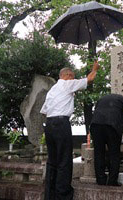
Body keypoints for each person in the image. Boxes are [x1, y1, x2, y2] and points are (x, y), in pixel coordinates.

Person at [40, 61, 100, 200]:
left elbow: (44, 111)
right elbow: (89, 79)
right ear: (67, 75)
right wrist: (94, 69)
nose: (73, 79)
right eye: (72, 76)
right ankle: (63, 194)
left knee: (52, 160)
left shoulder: (52, 90)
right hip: (61, 123)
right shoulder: (67, 84)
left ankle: (50, 194)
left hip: (49, 124)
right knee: (64, 159)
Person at [90, 94, 123, 186]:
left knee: (99, 153)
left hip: (95, 125)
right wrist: (120, 132)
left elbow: (96, 112)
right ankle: (112, 181)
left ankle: (100, 180)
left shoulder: (101, 99)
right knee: (114, 154)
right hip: (111, 126)